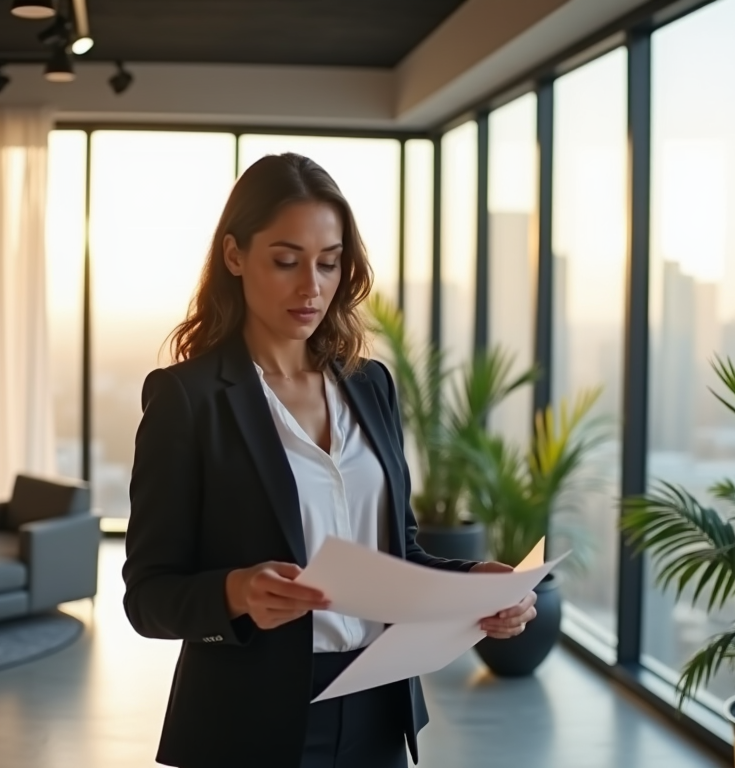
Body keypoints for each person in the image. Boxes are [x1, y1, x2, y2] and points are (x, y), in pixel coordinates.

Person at [122, 152, 538, 768]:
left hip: (379, 708)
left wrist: (475, 584)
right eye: (286, 261)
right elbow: (147, 597)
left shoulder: (372, 387)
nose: (311, 286)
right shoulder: (187, 400)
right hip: (247, 724)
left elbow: (397, 555)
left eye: (329, 262)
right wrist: (236, 592)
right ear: (235, 257)